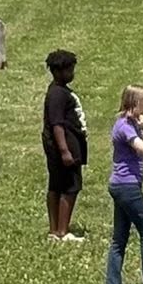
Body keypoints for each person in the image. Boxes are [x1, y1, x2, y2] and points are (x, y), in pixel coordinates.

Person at [104, 85, 143, 284]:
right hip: (126, 186)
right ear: (134, 103)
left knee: (120, 237)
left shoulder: (129, 123)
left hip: (123, 186)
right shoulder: (125, 127)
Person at [42, 50, 88, 242]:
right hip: (65, 147)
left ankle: (55, 231)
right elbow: (57, 123)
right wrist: (65, 151)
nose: (72, 73)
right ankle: (62, 230)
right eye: (70, 70)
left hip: (64, 146)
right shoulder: (58, 94)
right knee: (70, 187)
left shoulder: (57, 91)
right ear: (59, 71)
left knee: (57, 185)